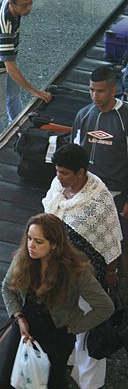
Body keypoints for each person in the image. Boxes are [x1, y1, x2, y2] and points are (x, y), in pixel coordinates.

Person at [0, 214, 114, 389]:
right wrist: (18, 318)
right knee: (7, 380)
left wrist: (74, 326)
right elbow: (7, 288)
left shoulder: (76, 272)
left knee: (56, 381)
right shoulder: (23, 258)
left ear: (54, 245)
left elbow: (105, 307)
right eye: (29, 238)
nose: (31, 245)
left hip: (57, 334)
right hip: (26, 329)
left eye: (38, 241)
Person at [42, 144, 122, 389]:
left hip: (88, 272)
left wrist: (111, 271)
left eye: (64, 173)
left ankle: (89, 379)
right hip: (58, 269)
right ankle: (67, 359)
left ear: (80, 172)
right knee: (64, 316)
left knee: (89, 323)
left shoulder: (99, 198)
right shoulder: (57, 187)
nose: (59, 177)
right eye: (57, 171)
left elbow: (110, 240)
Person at [71, 66, 128, 278]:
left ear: (114, 90)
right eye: (91, 90)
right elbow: (72, 156)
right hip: (85, 194)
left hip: (117, 196)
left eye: (100, 91)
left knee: (121, 247)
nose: (95, 95)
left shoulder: (126, 119)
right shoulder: (83, 115)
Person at [0, 0, 52, 141]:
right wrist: (34, 91)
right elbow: (10, 67)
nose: (29, 8)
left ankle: (19, 130)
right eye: (24, 6)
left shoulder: (8, 1)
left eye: (31, 3)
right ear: (12, 3)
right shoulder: (5, 28)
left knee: (14, 96)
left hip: (3, 58)